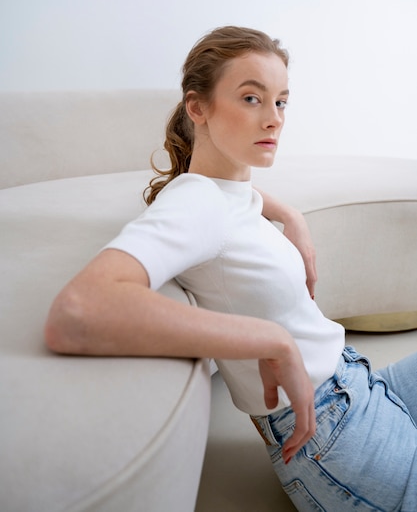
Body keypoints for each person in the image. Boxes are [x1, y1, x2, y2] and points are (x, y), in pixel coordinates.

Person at [45, 26, 417, 511]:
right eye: (250, 98)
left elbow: (227, 199)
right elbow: (77, 310)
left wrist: (288, 213)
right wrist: (268, 339)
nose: (274, 119)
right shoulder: (196, 202)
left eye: (281, 102)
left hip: (360, 387)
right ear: (197, 107)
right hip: (332, 435)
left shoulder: (220, 192)